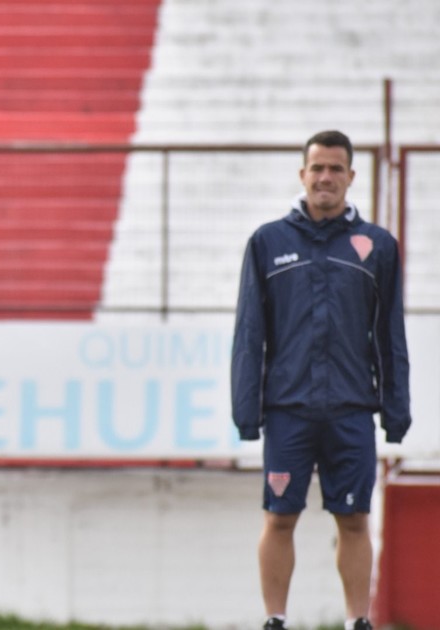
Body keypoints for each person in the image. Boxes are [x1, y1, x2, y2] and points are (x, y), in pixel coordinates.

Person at [231, 130, 410, 630]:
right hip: (287, 410)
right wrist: (247, 413)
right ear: (303, 174)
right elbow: (249, 333)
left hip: (351, 409)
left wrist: (395, 412)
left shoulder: (377, 246)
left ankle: (356, 622)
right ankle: (275, 619)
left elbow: (390, 335)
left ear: (351, 176)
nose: (325, 177)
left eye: (335, 168)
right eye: (317, 168)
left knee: (353, 518)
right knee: (279, 516)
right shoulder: (268, 242)